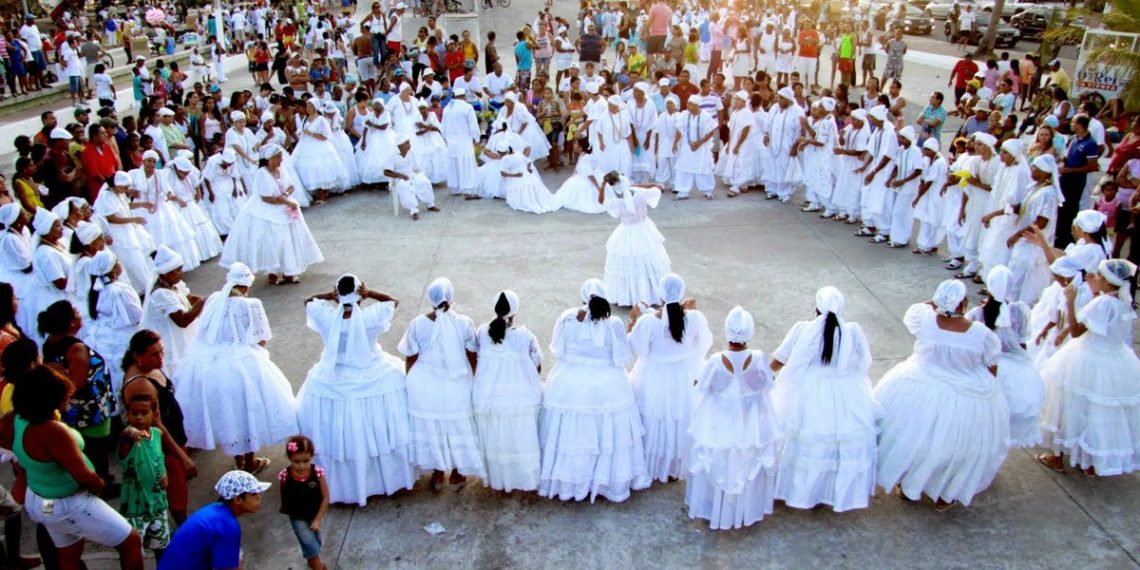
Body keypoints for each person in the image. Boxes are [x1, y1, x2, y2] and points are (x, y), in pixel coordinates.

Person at [875, 280, 1009, 510]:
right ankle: (946, 493)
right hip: (966, 393)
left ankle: (910, 484)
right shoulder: (982, 334)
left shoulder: (924, 321)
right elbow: (991, 368)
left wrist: (935, 304)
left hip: (920, 385)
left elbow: (914, 311)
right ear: (964, 302)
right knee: (959, 446)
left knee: (915, 438)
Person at [2, 365, 144, 570]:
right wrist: (100, 483)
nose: (66, 402)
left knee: (69, 553)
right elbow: (85, 477)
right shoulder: (53, 431)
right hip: (69, 504)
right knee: (130, 542)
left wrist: (27, 467)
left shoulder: (13, 419)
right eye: (63, 397)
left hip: (41, 502)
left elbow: (12, 449)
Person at [298, 274, 415, 504]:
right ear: (360, 293)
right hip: (370, 372)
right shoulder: (369, 318)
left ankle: (343, 486)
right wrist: (370, 293)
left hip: (333, 374)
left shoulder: (327, 317)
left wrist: (328, 296)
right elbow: (392, 302)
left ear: (337, 294)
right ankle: (383, 479)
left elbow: (308, 301)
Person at [174, 263, 298, 475]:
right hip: (241, 366)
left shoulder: (214, 299)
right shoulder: (251, 304)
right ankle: (249, 462)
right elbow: (261, 339)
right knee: (247, 411)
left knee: (228, 413)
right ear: (247, 285)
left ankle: (238, 458)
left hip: (208, 366)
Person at [769, 287, 880, 512]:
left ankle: (797, 492)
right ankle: (827, 492)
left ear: (816, 308)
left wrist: (767, 376)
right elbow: (863, 362)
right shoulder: (852, 331)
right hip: (844, 391)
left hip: (807, 390)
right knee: (834, 446)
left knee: (802, 443)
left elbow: (781, 358)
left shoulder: (803, 329)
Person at [539, 279, 650, 502]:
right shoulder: (614, 323)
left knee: (572, 435)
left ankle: (570, 482)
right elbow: (621, 357)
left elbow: (558, 350)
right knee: (607, 438)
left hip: (569, 382)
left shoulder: (567, 317)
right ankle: (604, 482)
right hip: (607, 385)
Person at [1037, 259, 1140, 476]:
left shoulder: (1102, 303)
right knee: (1098, 411)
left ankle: (1057, 456)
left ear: (1108, 281)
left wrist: (1070, 301)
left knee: (1069, 405)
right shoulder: (1123, 302)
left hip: (1088, 358)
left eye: (1100, 276)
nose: (1096, 279)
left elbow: (1076, 331)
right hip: (1116, 360)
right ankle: (1092, 461)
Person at [685, 306, 781, 530]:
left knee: (718, 460)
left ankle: (716, 505)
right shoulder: (757, 358)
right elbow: (769, 383)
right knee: (746, 462)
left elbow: (701, 387)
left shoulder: (716, 361)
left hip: (719, 423)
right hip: (750, 423)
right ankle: (743, 507)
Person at [397, 277, 485, 491]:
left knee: (433, 426)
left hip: (426, 383)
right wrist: (475, 380)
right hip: (457, 382)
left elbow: (410, 356)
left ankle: (437, 473)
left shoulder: (418, 323)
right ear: (451, 297)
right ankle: (456, 472)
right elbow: (472, 355)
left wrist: (411, 381)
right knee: (457, 426)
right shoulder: (464, 322)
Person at [627, 273, 711, 483]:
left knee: (658, 417)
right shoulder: (696, 317)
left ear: (660, 295)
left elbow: (639, 350)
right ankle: (677, 465)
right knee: (682, 416)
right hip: (687, 373)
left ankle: (655, 462)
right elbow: (703, 346)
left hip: (655, 375)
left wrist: (633, 320)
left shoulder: (648, 322)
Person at [964, 266, 1045, 448]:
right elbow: (1022, 343)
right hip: (1016, 369)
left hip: (986, 368)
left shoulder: (976, 314)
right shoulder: (1020, 311)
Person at [220, 144, 324, 285]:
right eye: (277, 157)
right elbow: (266, 198)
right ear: (268, 159)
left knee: (288, 240)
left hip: (283, 206)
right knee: (273, 242)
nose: (281, 159)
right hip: (267, 210)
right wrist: (287, 203)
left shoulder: (281, 170)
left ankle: (289, 272)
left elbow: (291, 186)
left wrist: (285, 195)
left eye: (280, 156)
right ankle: (273, 273)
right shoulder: (261, 173)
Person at [471, 290, 543, 492]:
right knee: (518, 439)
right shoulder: (524, 335)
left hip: (487, 398)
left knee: (496, 439)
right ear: (515, 312)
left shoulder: (482, 332)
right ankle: (521, 478)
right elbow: (537, 364)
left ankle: (497, 479)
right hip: (519, 398)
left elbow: (476, 360)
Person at [158, 470, 270, 570]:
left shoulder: (216, 511)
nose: (259, 497)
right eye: (254, 494)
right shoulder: (228, 525)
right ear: (237, 499)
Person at [602, 173, 671, 307]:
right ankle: (651, 292)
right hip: (644, 230)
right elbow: (655, 190)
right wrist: (656, 185)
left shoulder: (617, 202)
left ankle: (630, 296)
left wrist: (602, 186)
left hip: (625, 232)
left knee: (627, 265)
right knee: (648, 262)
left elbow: (603, 203)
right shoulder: (640, 195)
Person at [117, 394, 172, 562]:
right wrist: (133, 433)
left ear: (154, 415)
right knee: (133, 550)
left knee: (162, 546)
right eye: (134, 413)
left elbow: (158, 458)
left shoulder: (157, 434)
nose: (139, 417)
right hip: (134, 507)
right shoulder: (128, 439)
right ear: (127, 415)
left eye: (144, 413)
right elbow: (127, 433)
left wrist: (165, 474)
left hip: (157, 504)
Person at [139, 247, 205, 375]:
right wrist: (203, 303)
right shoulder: (161, 294)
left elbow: (188, 297)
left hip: (179, 335)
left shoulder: (173, 284)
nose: (182, 272)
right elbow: (182, 320)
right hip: (170, 338)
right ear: (166, 273)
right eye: (178, 270)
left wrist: (209, 299)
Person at [91, 172, 156, 295]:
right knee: (132, 260)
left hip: (128, 231)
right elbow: (111, 218)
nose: (127, 190)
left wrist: (142, 204)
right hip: (118, 234)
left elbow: (126, 206)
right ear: (116, 184)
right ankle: (144, 287)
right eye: (125, 188)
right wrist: (134, 219)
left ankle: (145, 286)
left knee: (137, 259)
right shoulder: (106, 196)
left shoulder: (119, 193)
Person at [278, 435, 329, 570]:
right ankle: (317, 566)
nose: (301, 466)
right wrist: (287, 509)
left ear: (312, 456)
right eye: (296, 461)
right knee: (307, 541)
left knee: (316, 541)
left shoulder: (317, 473)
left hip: (314, 513)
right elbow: (284, 493)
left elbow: (325, 497)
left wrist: (318, 518)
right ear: (290, 459)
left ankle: (312, 559)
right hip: (297, 516)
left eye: (305, 461)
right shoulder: (285, 475)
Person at [384, 135, 441, 221]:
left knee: (425, 182)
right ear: (400, 145)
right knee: (405, 187)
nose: (409, 145)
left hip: (411, 174)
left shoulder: (410, 153)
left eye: (409, 142)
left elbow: (415, 168)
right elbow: (386, 172)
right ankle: (413, 210)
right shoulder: (393, 155)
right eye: (407, 143)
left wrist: (419, 174)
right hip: (399, 177)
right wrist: (401, 176)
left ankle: (430, 205)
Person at [672, 96, 717, 200]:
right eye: (687, 103)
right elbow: (679, 130)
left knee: (703, 168)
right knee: (684, 168)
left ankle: (708, 191)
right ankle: (683, 191)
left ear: (697, 105)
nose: (687, 106)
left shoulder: (706, 116)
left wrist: (698, 143)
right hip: (686, 147)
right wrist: (675, 143)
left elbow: (711, 132)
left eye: (690, 104)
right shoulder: (683, 115)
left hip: (702, 148)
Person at [440, 88, 481, 197]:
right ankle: (467, 187)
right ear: (464, 96)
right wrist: (476, 138)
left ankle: (455, 187)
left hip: (451, 142)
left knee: (454, 164)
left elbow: (443, 126)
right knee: (465, 164)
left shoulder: (447, 108)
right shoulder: (467, 107)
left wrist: (445, 138)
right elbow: (473, 125)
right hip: (464, 141)